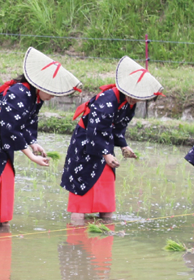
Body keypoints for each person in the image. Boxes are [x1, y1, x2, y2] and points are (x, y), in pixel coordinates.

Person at [0, 47, 82, 230]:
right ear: (40, 86)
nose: (51, 97)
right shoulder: (19, 92)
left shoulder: (35, 97)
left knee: (4, 187)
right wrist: (31, 156)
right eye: (51, 92)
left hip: (3, 146)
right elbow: (10, 128)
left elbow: (27, 123)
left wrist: (33, 143)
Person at [60, 55, 164, 222]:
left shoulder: (130, 103)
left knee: (105, 197)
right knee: (81, 195)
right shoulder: (107, 98)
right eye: (135, 95)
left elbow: (119, 127)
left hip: (104, 147)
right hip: (86, 144)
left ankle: (103, 239)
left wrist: (123, 146)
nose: (136, 99)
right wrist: (106, 154)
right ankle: (76, 239)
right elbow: (95, 130)